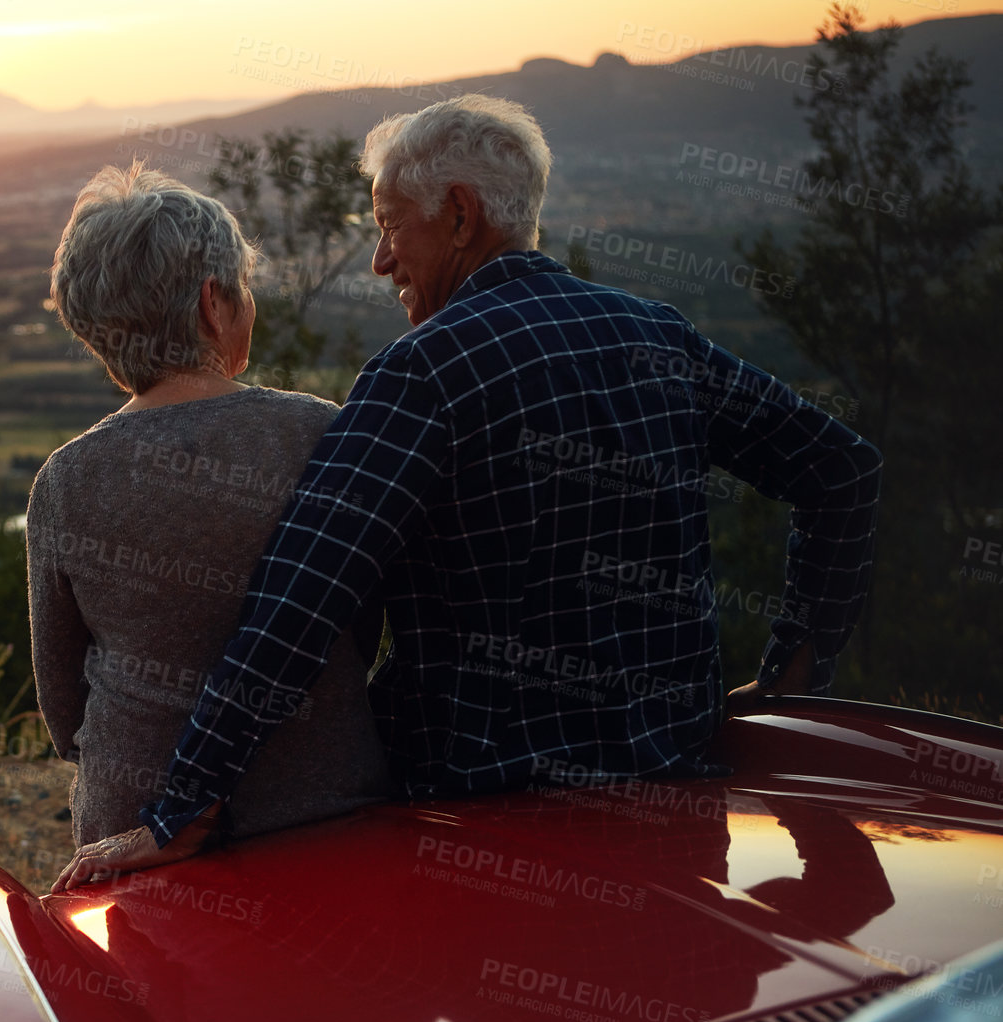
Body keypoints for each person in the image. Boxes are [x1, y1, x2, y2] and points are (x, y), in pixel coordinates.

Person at [53, 94, 882, 890]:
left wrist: (185, 806)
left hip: (486, 840)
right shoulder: (660, 336)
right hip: (680, 813)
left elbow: (297, 604)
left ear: (458, 214)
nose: (380, 261)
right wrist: (796, 668)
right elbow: (840, 468)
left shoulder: (422, 375)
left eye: (387, 229)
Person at [28, 162, 395, 849]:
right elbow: (358, 625)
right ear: (212, 304)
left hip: (133, 831)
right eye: (243, 289)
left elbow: (62, 704)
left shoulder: (66, 480)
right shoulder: (321, 432)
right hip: (325, 810)